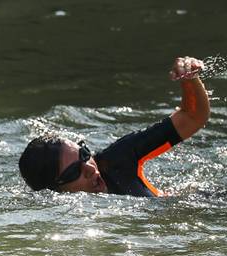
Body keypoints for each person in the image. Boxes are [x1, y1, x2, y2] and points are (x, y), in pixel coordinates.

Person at [18, 57, 210, 197]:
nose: (90, 169)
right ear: (53, 191)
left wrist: (190, 79)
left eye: (85, 154)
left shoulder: (119, 159)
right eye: (74, 172)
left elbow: (192, 117)